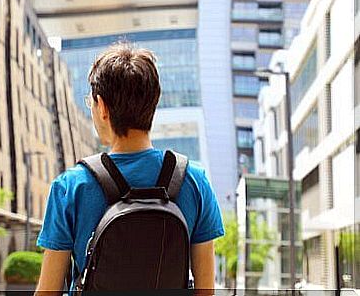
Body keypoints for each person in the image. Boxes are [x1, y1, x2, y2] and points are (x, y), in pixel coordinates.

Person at [34, 42, 224, 295]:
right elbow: (205, 291)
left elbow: (48, 291)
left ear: (101, 107)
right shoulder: (194, 180)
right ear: (154, 102)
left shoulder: (70, 187)